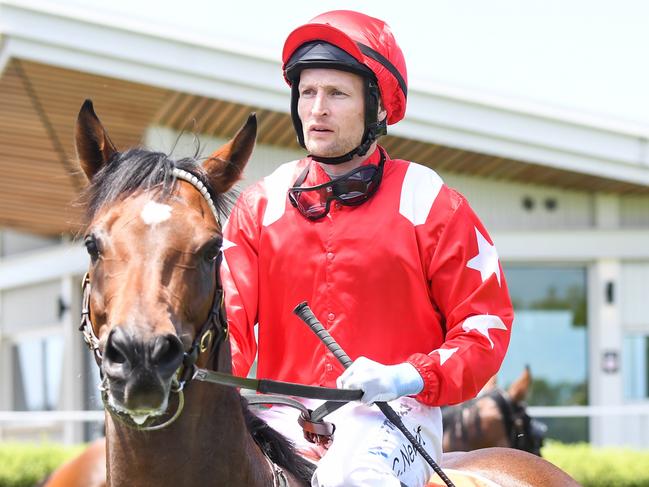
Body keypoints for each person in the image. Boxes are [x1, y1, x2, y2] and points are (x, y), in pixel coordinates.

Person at [221, 9, 514, 487]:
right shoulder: (260, 204)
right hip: (281, 415)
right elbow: (228, 332)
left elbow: (486, 327)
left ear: (377, 108)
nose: (317, 108)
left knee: (352, 478)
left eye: (337, 94)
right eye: (308, 92)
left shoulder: (431, 202)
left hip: (396, 414)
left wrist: (408, 375)